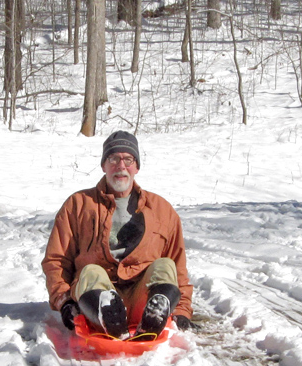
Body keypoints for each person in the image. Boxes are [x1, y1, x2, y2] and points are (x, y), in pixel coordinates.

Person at [42, 131, 194, 340]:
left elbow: (178, 265)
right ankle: (108, 314)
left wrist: (182, 310)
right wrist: (65, 301)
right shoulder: (77, 205)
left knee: (165, 265)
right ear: (104, 165)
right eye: (113, 159)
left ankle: (156, 314)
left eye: (128, 159)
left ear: (136, 167)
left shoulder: (162, 210)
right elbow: (56, 260)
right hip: (94, 299)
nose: (121, 166)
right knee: (90, 271)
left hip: (142, 299)